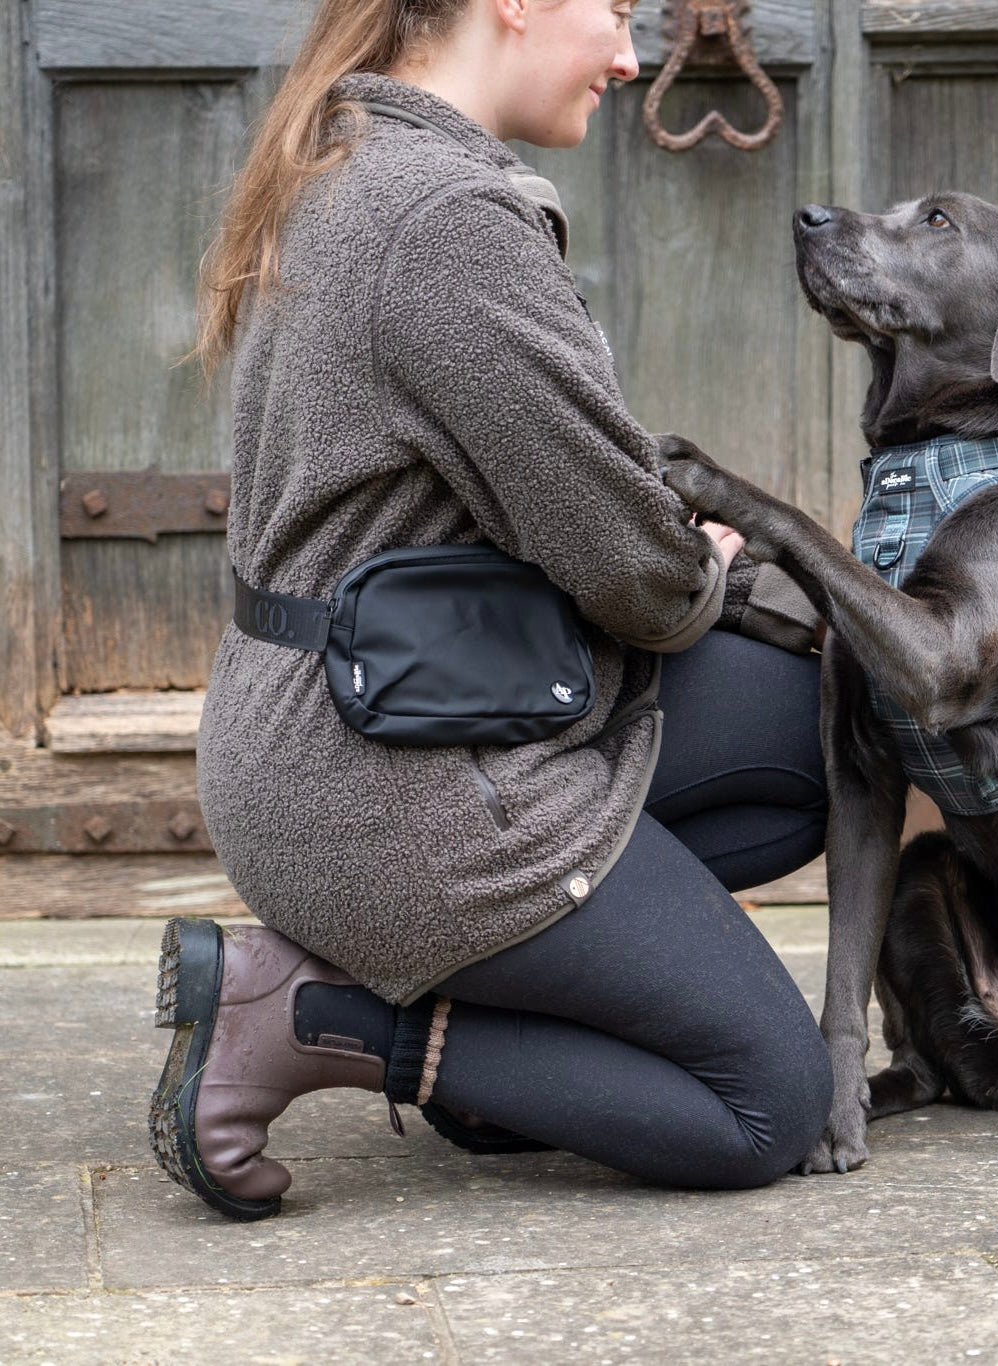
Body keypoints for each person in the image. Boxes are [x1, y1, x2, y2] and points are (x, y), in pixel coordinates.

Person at [148, 0, 834, 1223]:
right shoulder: (442, 220)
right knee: (764, 1102)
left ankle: (508, 1030)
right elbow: (635, 574)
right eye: (617, 12)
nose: (632, 57)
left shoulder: (354, 154)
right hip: (397, 790)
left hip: (347, 734)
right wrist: (703, 567)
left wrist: (668, 561)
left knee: (817, 733)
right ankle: (317, 1019)